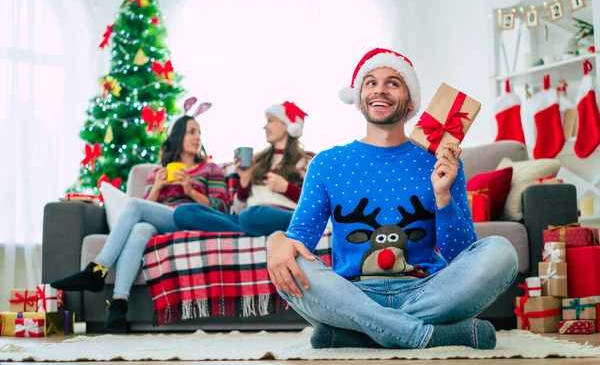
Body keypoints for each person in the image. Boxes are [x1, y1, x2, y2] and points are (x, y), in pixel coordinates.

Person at [265, 48, 518, 350]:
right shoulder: (327, 163)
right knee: (286, 262)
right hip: (352, 293)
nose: (380, 90)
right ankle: (420, 335)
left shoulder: (440, 161)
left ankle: (363, 331)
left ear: (410, 101)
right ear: (359, 98)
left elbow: (462, 254)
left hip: (427, 291)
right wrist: (275, 241)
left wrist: (443, 195)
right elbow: (300, 241)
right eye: (370, 82)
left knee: (501, 252)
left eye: (393, 83)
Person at [50, 97, 230, 329]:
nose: (197, 138)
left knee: (134, 206)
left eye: (199, 132)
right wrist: (156, 188)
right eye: (191, 132)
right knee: (140, 228)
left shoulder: (210, 169)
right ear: (177, 137)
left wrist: (190, 191)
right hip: (164, 219)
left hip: (193, 217)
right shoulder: (158, 172)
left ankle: (96, 269)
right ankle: (118, 303)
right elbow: (144, 211)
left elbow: (222, 208)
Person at [173, 101, 313, 236]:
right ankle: (244, 231)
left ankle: (245, 229)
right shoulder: (257, 161)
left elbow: (314, 204)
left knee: (250, 216)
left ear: (287, 125)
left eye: (270, 121)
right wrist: (245, 179)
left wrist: (286, 188)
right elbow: (238, 210)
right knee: (184, 212)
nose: (265, 127)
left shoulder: (306, 161)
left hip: (284, 215)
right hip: (250, 217)